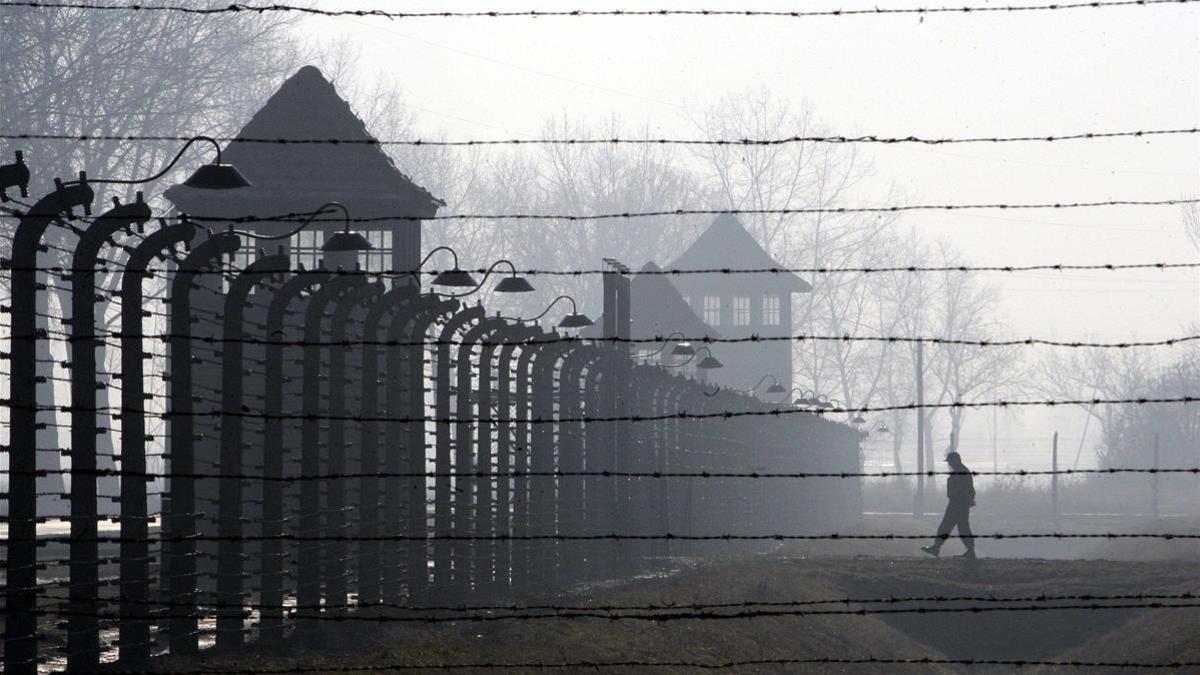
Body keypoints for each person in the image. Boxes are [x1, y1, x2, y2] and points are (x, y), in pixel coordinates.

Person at [921, 451, 976, 559]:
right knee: (959, 527)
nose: (949, 463)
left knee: (950, 526)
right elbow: (970, 490)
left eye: (950, 461)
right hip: (958, 504)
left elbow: (965, 490)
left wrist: (964, 501)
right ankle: (969, 551)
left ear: (955, 461)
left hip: (957, 504)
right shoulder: (961, 471)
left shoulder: (961, 472)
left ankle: (937, 548)